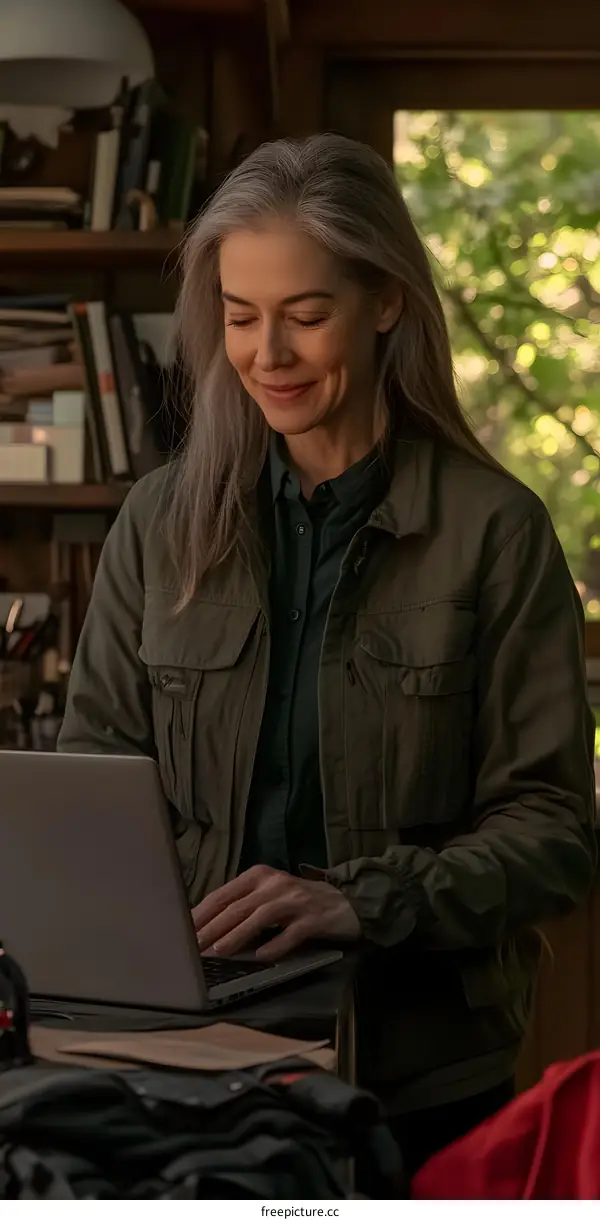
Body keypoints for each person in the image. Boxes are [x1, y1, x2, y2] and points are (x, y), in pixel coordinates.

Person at [58, 133, 597, 1178]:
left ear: (385, 301)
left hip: (424, 1073)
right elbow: (95, 796)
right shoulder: (160, 524)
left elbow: (555, 832)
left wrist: (361, 899)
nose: (269, 354)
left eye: (306, 315)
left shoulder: (496, 530)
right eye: (242, 316)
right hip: (187, 1059)